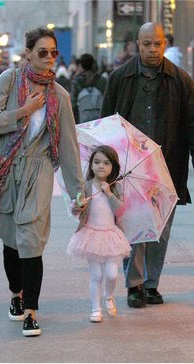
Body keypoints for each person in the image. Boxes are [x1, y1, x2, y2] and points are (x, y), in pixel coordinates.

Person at [0, 27, 85, 337]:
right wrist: (25, 110)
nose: (49, 58)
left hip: (38, 172)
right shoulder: (9, 81)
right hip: (6, 169)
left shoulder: (60, 96)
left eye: (54, 52)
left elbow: (68, 148)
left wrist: (78, 192)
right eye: (42, 52)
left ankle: (31, 312)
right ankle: (16, 294)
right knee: (11, 239)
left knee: (31, 240)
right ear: (27, 53)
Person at [100, 22, 194, 308]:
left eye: (158, 44)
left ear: (164, 44)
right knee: (133, 226)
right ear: (137, 45)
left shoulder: (181, 80)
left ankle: (152, 285)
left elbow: (191, 126)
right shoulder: (120, 78)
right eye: (147, 44)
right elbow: (107, 123)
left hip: (167, 166)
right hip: (130, 168)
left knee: (160, 229)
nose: (153, 49)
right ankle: (135, 284)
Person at [66, 145, 130, 323]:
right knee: (97, 275)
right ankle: (95, 308)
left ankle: (108, 296)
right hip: (90, 235)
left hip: (110, 236)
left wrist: (108, 193)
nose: (101, 166)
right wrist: (78, 206)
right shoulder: (85, 186)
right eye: (97, 162)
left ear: (113, 167)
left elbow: (121, 211)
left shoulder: (115, 188)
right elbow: (75, 209)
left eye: (106, 163)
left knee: (112, 274)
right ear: (91, 165)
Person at [70, 53, 107, 124]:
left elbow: (73, 104)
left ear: (81, 65)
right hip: (100, 120)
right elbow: (107, 101)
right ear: (93, 64)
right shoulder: (102, 80)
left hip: (82, 120)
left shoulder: (77, 81)